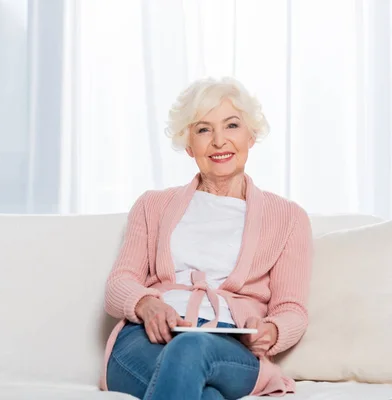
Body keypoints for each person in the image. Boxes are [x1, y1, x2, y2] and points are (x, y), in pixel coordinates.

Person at [100, 77, 313, 400]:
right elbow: (120, 283)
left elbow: (291, 309)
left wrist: (271, 331)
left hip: (228, 347)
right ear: (189, 145)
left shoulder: (288, 217)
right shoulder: (152, 205)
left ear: (250, 135)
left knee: (192, 348)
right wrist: (146, 304)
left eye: (231, 125)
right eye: (203, 129)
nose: (218, 141)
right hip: (146, 340)